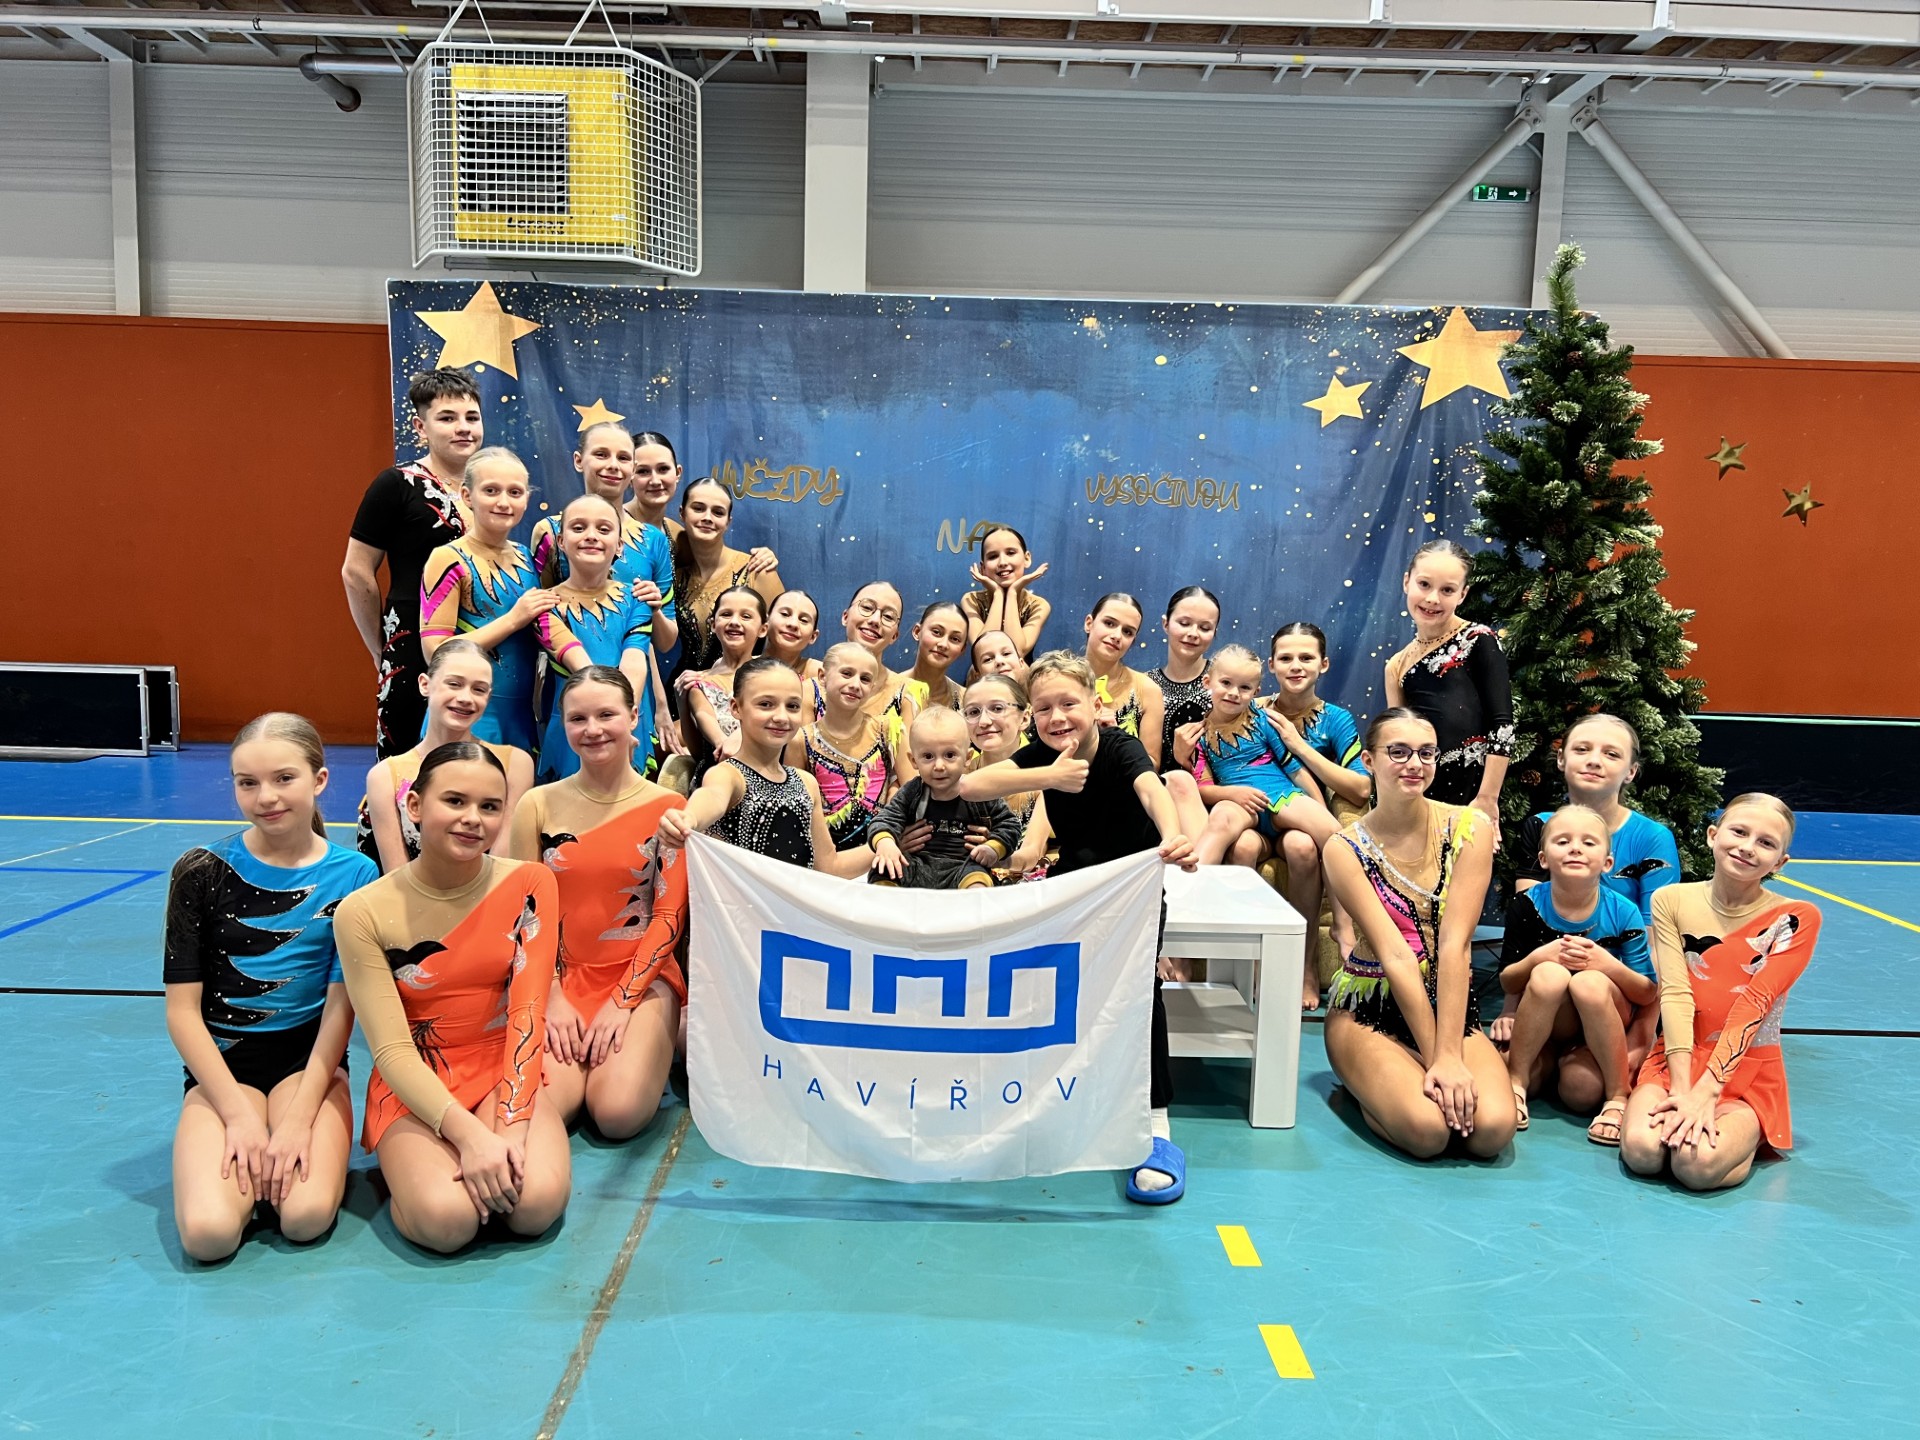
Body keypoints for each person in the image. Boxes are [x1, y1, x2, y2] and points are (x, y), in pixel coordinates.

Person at [960, 650, 1197, 1205]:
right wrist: (1050, 775)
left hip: (1132, 891)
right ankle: (1050, 1097)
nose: (1057, 716)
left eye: (1069, 703)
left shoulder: (1119, 747)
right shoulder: (1046, 756)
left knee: (1138, 994)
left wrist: (1172, 834)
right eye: (1043, 708)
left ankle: (1155, 1126)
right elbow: (972, 785)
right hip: (1073, 891)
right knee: (1050, 989)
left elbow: (1152, 788)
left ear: (1096, 703)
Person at [334, 742, 570, 1253]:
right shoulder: (362, 912)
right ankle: (409, 1174)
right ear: (415, 806)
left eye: (490, 806)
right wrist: (471, 1137)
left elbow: (528, 1013)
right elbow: (391, 1050)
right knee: (447, 1223)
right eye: (455, 801)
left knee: (534, 1205)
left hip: (502, 1068)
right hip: (414, 1077)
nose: (473, 819)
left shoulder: (531, 883)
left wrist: (510, 1132)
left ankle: (466, 1161)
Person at [165, 713, 376, 1262]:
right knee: (209, 1235)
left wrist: (300, 1120)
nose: (266, 797)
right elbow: (182, 1012)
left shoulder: (356, 875)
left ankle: (284, 1137)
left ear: (319, 780)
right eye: (247, 782)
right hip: (223, 1065)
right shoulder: (200, 871)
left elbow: (341, 1009)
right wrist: (237, 1116)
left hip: (308, 1066)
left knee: (304, 1217)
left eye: (284, 778)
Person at [1321, 708, 1517, 1161]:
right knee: (1429, 1133)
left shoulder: (1469, 828)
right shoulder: (1343, 847)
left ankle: (1411, 1076)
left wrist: (1449, 1055)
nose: (1414, 764)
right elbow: (1395, 954)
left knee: (1491, 1132)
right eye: (1398, 752)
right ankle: (1370, 1085)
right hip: (1370, 1008)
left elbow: (1456, 945)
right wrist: (1440, 1060)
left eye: (1426, 753)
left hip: (1447, 1003)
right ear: (1369, 761)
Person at [506, 668, 688, 1141]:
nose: (593, 730)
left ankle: (657, 1037)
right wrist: (550, 994)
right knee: (546, 1104)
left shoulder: (669, 806)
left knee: (617, 1113)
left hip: (642, 977)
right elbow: (523, 914)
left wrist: (622, 1003)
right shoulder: (536, 805)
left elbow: (668, 917)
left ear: (633, 716)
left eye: (606, 715)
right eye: (577, 718)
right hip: (560, 977)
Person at [1622, 794, 1819, 1191]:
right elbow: (1676, 994)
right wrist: (1682, 1090)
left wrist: (1708, 1093)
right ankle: (1706, 1128)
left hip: (1746, 1069)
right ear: (1713, 835)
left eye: (1766, 843)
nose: (1748, 847)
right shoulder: (1670, 899)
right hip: (1676, 1058)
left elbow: (1755, 1004)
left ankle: (1747, 1138)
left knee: (1695, 1165)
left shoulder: (1796, 918)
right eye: (1739, 832)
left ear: (1779, 862)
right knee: (1643, 1152)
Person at [1172, 645, 1341, 1008]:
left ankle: (1337, 931)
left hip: (1277, 795)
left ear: (1256, 691)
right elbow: (1202, 787)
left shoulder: (1264, 720)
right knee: (1223, 822)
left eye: (1245, 687)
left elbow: (1296, 770)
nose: (1234, 693)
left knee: (1330, 837)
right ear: (1208, 682)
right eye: (1226, 683)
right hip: (1239, 805)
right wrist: (1230, 793)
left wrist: (1319, 810)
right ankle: (1182, 921)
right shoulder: (1197, 734)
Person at [1498, 805, 1657, 1145]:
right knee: (1548, 974)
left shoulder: (1623, 911)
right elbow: (1508, 981)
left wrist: (1606, 964)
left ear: (1607, 862)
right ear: (1543, 859)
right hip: (1547, 1023)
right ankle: (1516, 1082)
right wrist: (1537, 958)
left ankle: (1617, 1096)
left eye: (1588, 842)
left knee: (1581, 1091)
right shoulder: (1526, 905)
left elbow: (1647, 992)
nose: (1575, 849)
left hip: (1597, 1024)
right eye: (1563, 841)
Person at [341, 368, 476, 757]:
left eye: (471, 417)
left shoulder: (489, 490)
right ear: (421, 427)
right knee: (407, 757)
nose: (463, 428)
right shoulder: (396, 484)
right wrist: (380, 648)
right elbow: (356, 572)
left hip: (480, 638)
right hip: (411, 642)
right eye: (447, 418)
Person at [658, 658, 869, 877]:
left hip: (789, 899)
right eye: (766, 704)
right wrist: (689, 818)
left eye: (792, 706)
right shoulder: (729, 775)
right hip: (741, 899)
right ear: (736, 708)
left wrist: (885, 842)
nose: (781, 717)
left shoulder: (807, 783)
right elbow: (713, 796)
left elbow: (830, 867)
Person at [418, 447, 552, 754]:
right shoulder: (448, 558)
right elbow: (436, 652)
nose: (503, 502)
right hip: (467, 714)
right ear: (467, 496)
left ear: (526, 500)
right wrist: (513, 620)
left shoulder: (527, 559)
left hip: (521, 715)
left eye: (514, 492)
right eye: (491, 491)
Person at [359, 639, 532, 872]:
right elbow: (397, 874)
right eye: (454, 684)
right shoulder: (385, 776)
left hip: (492, 892)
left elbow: (502, 866)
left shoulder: (514, 764)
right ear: (425, 684)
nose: (466, 698)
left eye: (479, 689)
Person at [1384, 539, 1513, 831]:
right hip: (1419, 795)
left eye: (1447, 590)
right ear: (1406, 582)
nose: (1432, 599)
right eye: (1424, 584)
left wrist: (1487, 797)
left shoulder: (1478, 640)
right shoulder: (1396, 666)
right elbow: (1398, 740)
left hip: (1472, 795)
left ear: (1463, 594)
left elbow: (1502, 724)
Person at [534, 493, 658, 783]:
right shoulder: (544, 605)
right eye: (578, 528)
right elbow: (583, 668)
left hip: (628, 717)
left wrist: (623, 726)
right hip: (577, 725)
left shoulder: (636, 598)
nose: (591, 536)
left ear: (619, 544)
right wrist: (608, 722)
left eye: (603, 529)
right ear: (561, 541)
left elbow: (634, 660)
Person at [1511, 714, 1681, 924]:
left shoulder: (1652, 838)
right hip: (1549, 944)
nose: (1594, 761)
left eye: (1611, 754)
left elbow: (1656, 933)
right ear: (1561, 758)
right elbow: (1527, 919)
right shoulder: (1540, 826)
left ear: (1631, 771)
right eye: (1582, 749)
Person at [529, 422, 679, 658]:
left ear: (633, 468)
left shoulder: (653, 540)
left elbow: (667, 642)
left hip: (634, 672)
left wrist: (654, 610)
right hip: (569, 671)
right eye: (601, 454)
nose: (613, 465)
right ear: (578, 460)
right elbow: (535, 617)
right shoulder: (550, 531)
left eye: (623, 458)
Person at [867, 708, 1023, 890]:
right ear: (914, 760)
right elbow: (884, 819)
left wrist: (993, 848)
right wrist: (885, 844)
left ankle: (975, 901)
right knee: (883, 868)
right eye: (928, 756)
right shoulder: (912, 791)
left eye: (949, 755)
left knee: (978, 878)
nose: (939, 766)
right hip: (916, 866)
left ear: (967, 757)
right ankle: (885, 903)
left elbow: (1010, 825)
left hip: (964, 867)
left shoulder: (979, 790)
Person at [663, 476, 784, 696]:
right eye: (698, 508)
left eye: (718, 512)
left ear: (728, 521)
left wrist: (724, 676)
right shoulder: (676, 577)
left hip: (742, 694)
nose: (707, 518)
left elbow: (783, 645)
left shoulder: (756, 570)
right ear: (682, 513)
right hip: (684, 691)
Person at [790, 641, 898, 853]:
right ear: (822, 676)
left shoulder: (886, 728)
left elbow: (908, 784)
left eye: (865, 679)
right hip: (826, 850)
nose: (856, 684)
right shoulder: (801, 739)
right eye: (847, 674)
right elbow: (798, 806)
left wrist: (891, 830)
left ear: (872, 686)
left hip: (882, 844)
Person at [829, 581, 922, 769]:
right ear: (845, 616)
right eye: (866, 607)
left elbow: (909, 774)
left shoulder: (907, 694)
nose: (875, 620)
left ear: (895, 635)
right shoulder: (813, 687)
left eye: (888, 616)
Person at [962, 672, 1046, 878]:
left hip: (1024, 883)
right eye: (973, 712)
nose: (983, 721)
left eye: (997, 708)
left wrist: (996, 857)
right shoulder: (959, 779)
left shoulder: (1044, 777)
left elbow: (1032, 851)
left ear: (1025, 717)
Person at [678, 584, 768, 772]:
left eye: (746, 616)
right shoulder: (700, 683)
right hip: (720, 770)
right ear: (713, 624)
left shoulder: (772, 675)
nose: (734, 622)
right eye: (726, 614)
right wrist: (724, 745)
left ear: (763, 629)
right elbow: (704, 717)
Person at [1081, 591, 1166, 768]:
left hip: (1121, 783)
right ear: (1089, 623)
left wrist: (1116, 739)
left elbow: (1152, 763)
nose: (1117, 636)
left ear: (1133, 640)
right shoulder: (1056, 678)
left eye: (1127, 632)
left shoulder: (1147, 690)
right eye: (1109, 623)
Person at [1147, 586, 1220, 775]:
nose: (1193, 633)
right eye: (1184, 623)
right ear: (1166, 624)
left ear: (1215, 632)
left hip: (1217, 788)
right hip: (1155, 788)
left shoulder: (1225, 682)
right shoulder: (1145, 685)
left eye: (1205, 628)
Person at [961, 524, 1051, 657]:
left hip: (1020, 670)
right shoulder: (971, 600)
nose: (1002, 562)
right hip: (983, 670)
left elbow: (1017, 652)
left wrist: (1012, 593)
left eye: (1010, 553)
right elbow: (985, 651)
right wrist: (998, 595)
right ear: (983, 568)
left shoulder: (1038, 605)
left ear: (1026, 558)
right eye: (993, 556)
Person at [903, 600, 970, 713]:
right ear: (917, 631)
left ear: (962, 649)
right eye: (937, 632)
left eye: (954, 639)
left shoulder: (967, 702)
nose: (943, 644)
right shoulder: (889, 691)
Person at [764, 588, 823, 684]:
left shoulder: (822, 675)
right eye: (785, 614)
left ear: (813, 636)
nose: (793, 624)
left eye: (803, 620)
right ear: (766, 621)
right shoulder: (743, 669)